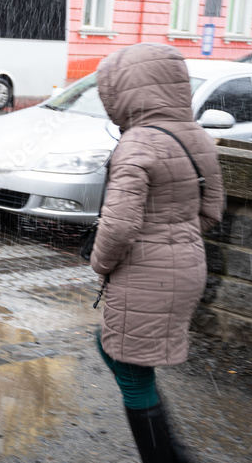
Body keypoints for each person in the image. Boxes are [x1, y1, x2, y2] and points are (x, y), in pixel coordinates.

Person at [90, 43, 224, 463]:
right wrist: (174, 237)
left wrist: (101, 264)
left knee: (131, 373)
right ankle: (171, 450)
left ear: (124, 92)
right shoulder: (198, 136)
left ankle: (167, 456)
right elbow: (212, 210)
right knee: (117, 352)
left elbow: (119, 226)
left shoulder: (136, 145)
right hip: (187, 266)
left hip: (144, 273)